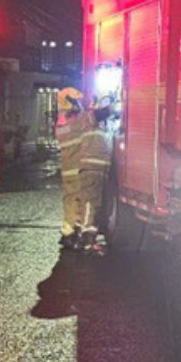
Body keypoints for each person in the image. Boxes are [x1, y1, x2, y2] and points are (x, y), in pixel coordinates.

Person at [76, 95, 115, 253]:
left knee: (95, 204)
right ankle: (87, 240)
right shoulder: (86, 118)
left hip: (98, 171)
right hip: (91, 170)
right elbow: (100, 114)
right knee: (90, 205)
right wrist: (114, 106)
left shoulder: (98, 127)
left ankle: (88, 237)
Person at [55, 87, 89, 249]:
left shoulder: (63, 121)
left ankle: (69, 232)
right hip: (76, 170)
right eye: (77, 101)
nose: (80, 104)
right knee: (80, 201)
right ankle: (74, 233)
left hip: (70, 170)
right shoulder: (74, 122)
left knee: (71, 200)